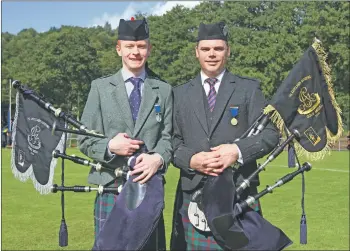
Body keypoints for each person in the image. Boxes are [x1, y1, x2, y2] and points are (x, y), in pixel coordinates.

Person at [170, 22, 280, 250]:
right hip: (194, 195)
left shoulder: (248, 89)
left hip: (239, 191)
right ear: (196, 52)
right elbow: (171, 141)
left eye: (218, 49)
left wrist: (237, 151)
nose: (212, 54)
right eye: (206, 49)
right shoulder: (179, 94)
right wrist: (190, 159)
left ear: (228, 51)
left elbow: (270, 133)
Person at [78, 17, 173, 250]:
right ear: (119, 48)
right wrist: (110, 146)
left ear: (149, 49)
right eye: (130, 46)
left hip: (148, 188)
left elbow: (169, 137)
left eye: (141, 46)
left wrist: (158, 158)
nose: (136, 52)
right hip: (110, 186)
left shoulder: (164, 90)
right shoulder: (99, 88)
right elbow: (84, 139)